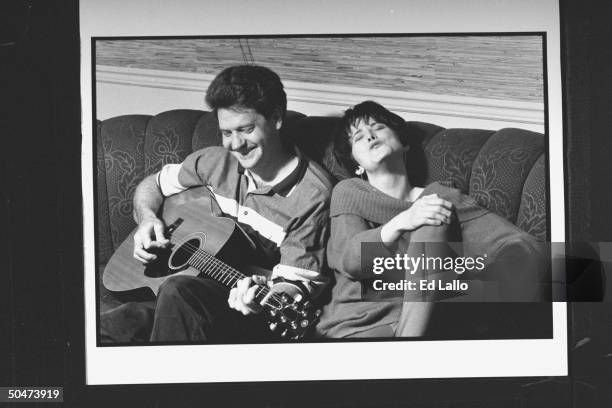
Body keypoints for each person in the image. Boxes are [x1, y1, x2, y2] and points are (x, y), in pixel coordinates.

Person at [101, 65, 333, 343]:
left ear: (276, 118)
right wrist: (148, 217)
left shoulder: (313, 195)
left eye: (245, 130)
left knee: (179, 290)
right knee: (110, 327)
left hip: (244, 311)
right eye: (226, 132)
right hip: (176, 296)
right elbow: (153, 184)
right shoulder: (214, 160)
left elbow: (294, 284)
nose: (235, 145)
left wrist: (265, 298)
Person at [315, 101, 546, 339]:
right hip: (354, 327)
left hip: (423, 326)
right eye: (358, 137)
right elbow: (348, 260)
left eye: (378, 127)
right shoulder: (349, 191)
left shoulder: (442, 198)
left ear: (404, 144)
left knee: (433, 214)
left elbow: (520, 246)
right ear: (356, 166)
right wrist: (403, 221)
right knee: (430, 215)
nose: (371, 136)